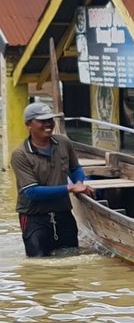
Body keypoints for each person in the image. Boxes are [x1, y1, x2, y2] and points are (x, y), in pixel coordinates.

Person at [10, 102, 94, 257]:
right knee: (39, 262)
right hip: (34, 217)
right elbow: (31, 192)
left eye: (50, 120)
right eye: (42, 121)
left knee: (71, 256)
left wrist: (79, 183)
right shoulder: (20, 155)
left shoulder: (63, 142)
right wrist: (70, 188)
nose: (48, 124)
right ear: (28, 124)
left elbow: (75, 168)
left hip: (63, 212)